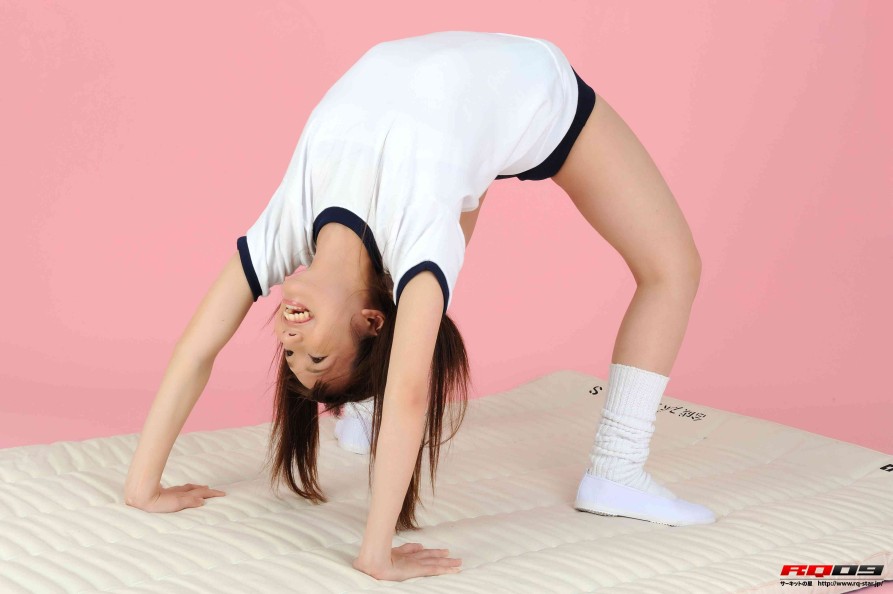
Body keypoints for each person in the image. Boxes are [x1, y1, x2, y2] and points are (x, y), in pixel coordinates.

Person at [122, 30, 715, 583]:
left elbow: (196, 349)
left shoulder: (285, 227)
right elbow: (410, 388)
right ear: (369, 323)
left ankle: (364, 409)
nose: (290, 342)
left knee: (439, 225)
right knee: (674, 269)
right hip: (539, 99)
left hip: (460, 105)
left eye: (291, 356)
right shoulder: (422, 238)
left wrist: (142, 488)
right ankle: (617, 468)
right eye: (316, 357)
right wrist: (375, 553)